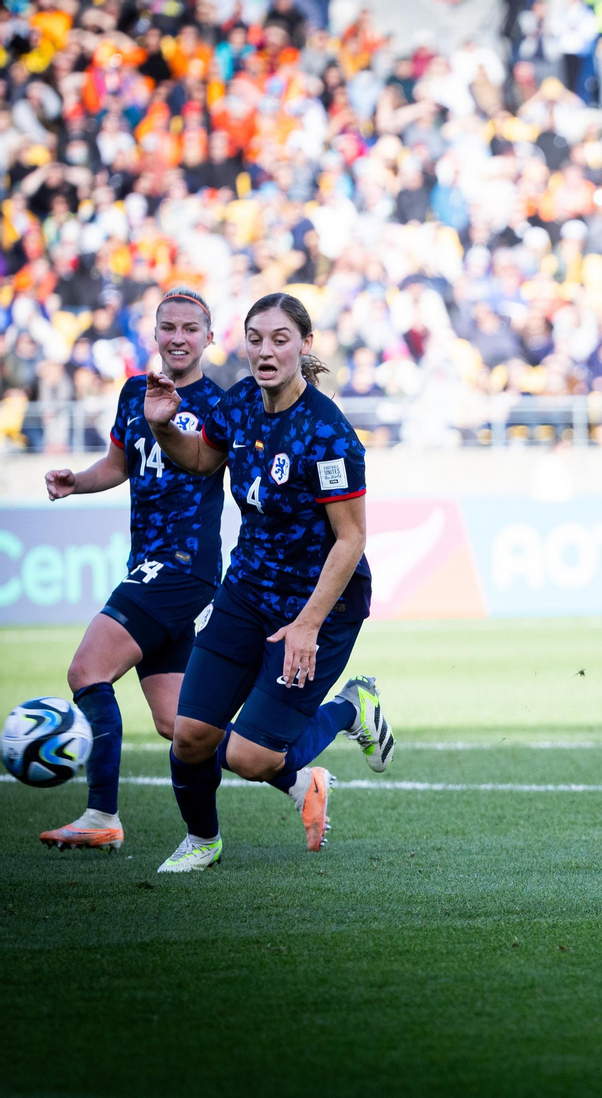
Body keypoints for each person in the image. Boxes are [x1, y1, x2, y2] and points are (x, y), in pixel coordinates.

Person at [143, 292, 395, 873]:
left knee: (250, 758)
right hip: (246, 592)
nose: (265, 351)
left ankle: (351, 708)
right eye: (255, 339)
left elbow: (351, 538)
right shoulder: (238, 403)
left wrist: (306, 626)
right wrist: (163, 428)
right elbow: (201, 459)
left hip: (320, 607)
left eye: (280, 339)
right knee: (189, 734)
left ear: (304, 345)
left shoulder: (328, 432)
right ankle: (202, 841)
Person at [35, 289, 235, 852]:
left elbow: (210, 466)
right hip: (148, 563)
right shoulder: (133, 392)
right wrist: (78, 481)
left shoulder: (220, 407)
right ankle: (296, 773)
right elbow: (118, 466)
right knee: (178, 723)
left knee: (86, 671)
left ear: (209, 337)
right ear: (154, 333)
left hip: (181, 566)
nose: (178, 337)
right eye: (168, 327)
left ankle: (101, 814)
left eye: (190, 329)